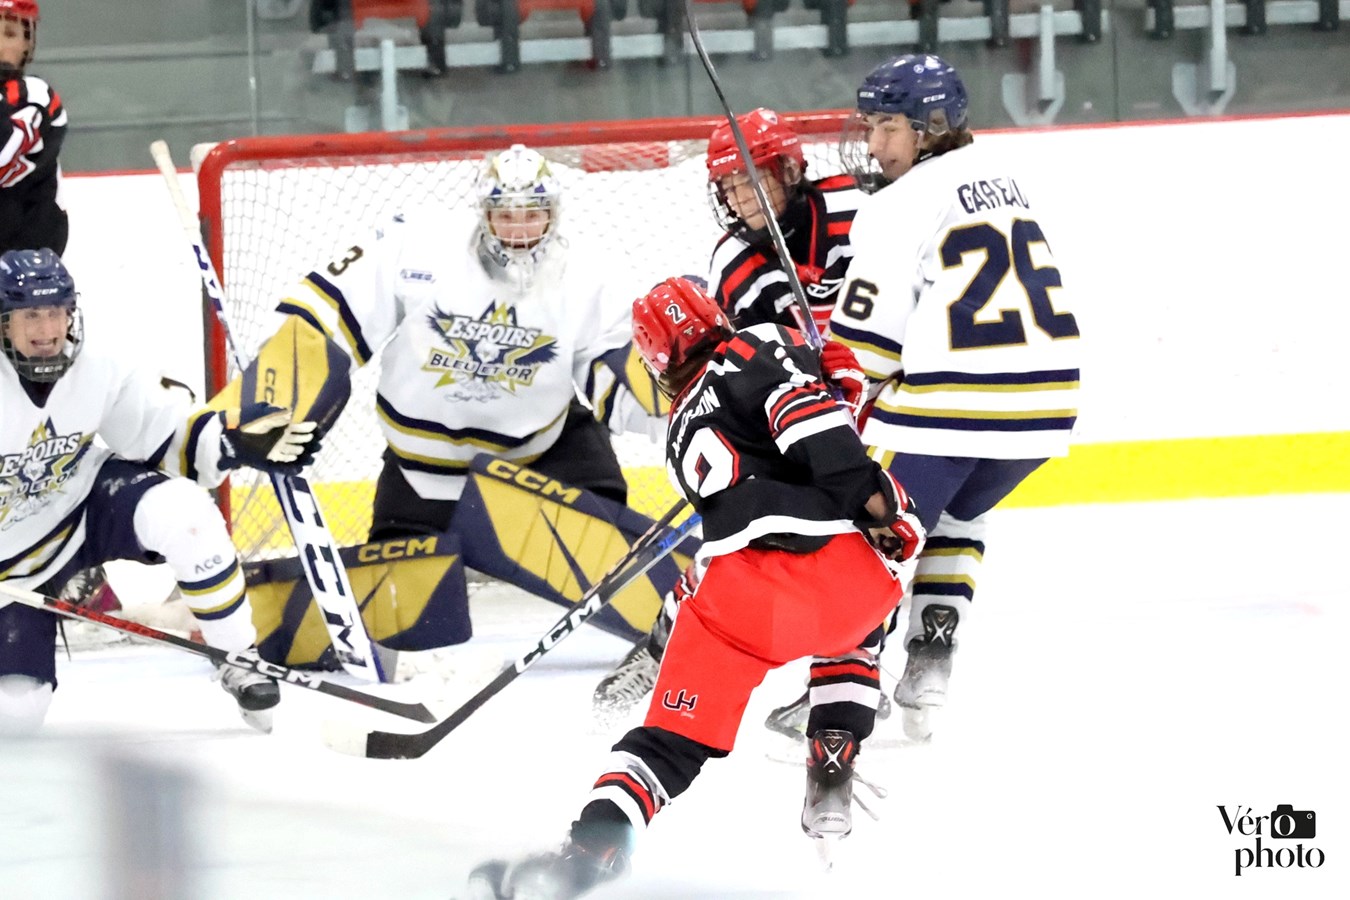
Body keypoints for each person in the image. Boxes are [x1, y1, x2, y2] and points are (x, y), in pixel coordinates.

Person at [467, 276, 924, 900]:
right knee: (865, 614)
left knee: (668, 744)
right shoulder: (760, 343)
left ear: (657, 359)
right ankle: (834, 745)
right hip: (836, 572)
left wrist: (834, 388)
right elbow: (811, 428)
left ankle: (593, 844)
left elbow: (773, 446)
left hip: (736, 598)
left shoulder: (680, 428)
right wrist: (876, 494)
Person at [831, 54, 1082, 741]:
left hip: (954, 408)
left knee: (872, 536)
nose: (875, 145)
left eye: (888, 127)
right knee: (955, 514)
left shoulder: (894, 206)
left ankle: (841, 705)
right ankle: (932, 659)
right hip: (1047, 411)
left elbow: (863, 357)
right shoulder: (1005, 181)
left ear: (931, 128)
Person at [591, 108, 867, 718]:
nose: (742, 197)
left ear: (791, 169)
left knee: (872, 543)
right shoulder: (733, 262)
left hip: (880, 395)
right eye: (731, 185)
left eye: (754, 178)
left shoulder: (857, 205)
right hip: (807, 410)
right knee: (740, 542)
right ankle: (661, 646)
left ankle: (839, 691)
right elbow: (752, 361)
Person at [273, 143, 662, 544]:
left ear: (553, 214)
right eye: (505, 216)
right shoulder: (423, 245)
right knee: (407, 600)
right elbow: (329, 311)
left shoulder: (583, 272)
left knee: (608, 538)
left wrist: (675, 407)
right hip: (424, 472)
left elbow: (614, 373)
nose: (519, 230)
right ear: (484, 214)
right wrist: (279, 394)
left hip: (540, 460)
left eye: (533, 215)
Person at [0, 249, 319, 735]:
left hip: (77, 506)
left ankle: (239, 658)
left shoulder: (98, 363)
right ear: (4, 323)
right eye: (29, 315)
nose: (46, 330)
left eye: (56, 312)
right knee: (14, 721)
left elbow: (157, 431)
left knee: (184, 513)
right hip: (9, 564)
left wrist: (232, 442)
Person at [0, 1, 67, 256]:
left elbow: (3, 153)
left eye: (9, 34)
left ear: (27, 44)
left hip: (30, 254)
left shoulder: (37, 96)